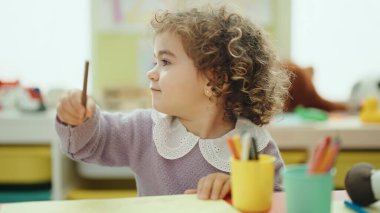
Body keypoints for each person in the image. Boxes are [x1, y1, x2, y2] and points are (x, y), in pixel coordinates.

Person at [55, 6, 291, 200]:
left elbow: (279, 200)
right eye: (154, 61)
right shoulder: (145, 129)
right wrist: (77, 118)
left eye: (165, 62)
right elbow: (91, 143)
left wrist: (237, 189)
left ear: (216, 80)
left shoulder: (255, 145)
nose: (152, 73)